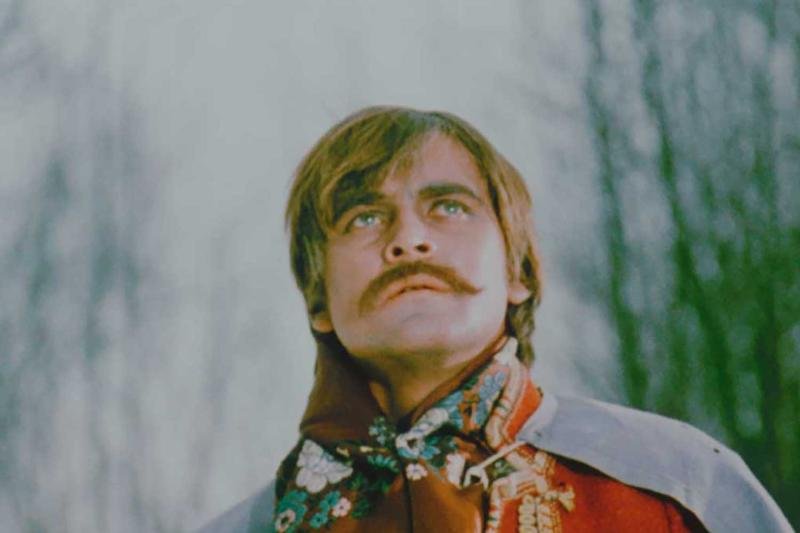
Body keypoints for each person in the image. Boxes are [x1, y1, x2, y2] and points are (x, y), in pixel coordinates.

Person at [198, 107, 791, 532]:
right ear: (317, 300)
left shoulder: (678, 489)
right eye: (363, 218)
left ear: (517, 272)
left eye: (449, 207)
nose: (409, 239)